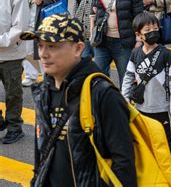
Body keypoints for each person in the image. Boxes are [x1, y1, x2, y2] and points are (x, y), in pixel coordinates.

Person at [22, 14, 136, 186]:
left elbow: (124, 164)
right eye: (40, 46)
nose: (43, 54)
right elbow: (42, 153)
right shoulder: (43, 91)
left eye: (52, 46)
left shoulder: (102, 94)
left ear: (78, 48)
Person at [122, 12, 171, 164]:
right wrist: (125, 97)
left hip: (162, 108)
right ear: (139, 35)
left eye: (155, 28)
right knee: (144, 141)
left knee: (166, 142)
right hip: (141, 107)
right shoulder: (135, 53)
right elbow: (128, 76)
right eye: (147, 30)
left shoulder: (166, 54)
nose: (153, 32)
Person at [92, 0, 144, 86]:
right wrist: (91, 32)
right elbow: (94, 11)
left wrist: (138, 40)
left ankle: (125, 104)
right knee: (98, 76)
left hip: (123, 42)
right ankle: (103, 102)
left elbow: (139, 17)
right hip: (102, 40)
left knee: (126, 78)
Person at [19, 0, 65, 87]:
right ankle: (32, 74)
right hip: (25, 15)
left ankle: (48, 78)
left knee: (40, 47)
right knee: (24, 48)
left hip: (41, 16)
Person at [0, 0, 29, 144]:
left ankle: (14, 127)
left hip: (10, 54)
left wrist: (1, 41)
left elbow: (20, 28)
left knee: (13, 94)